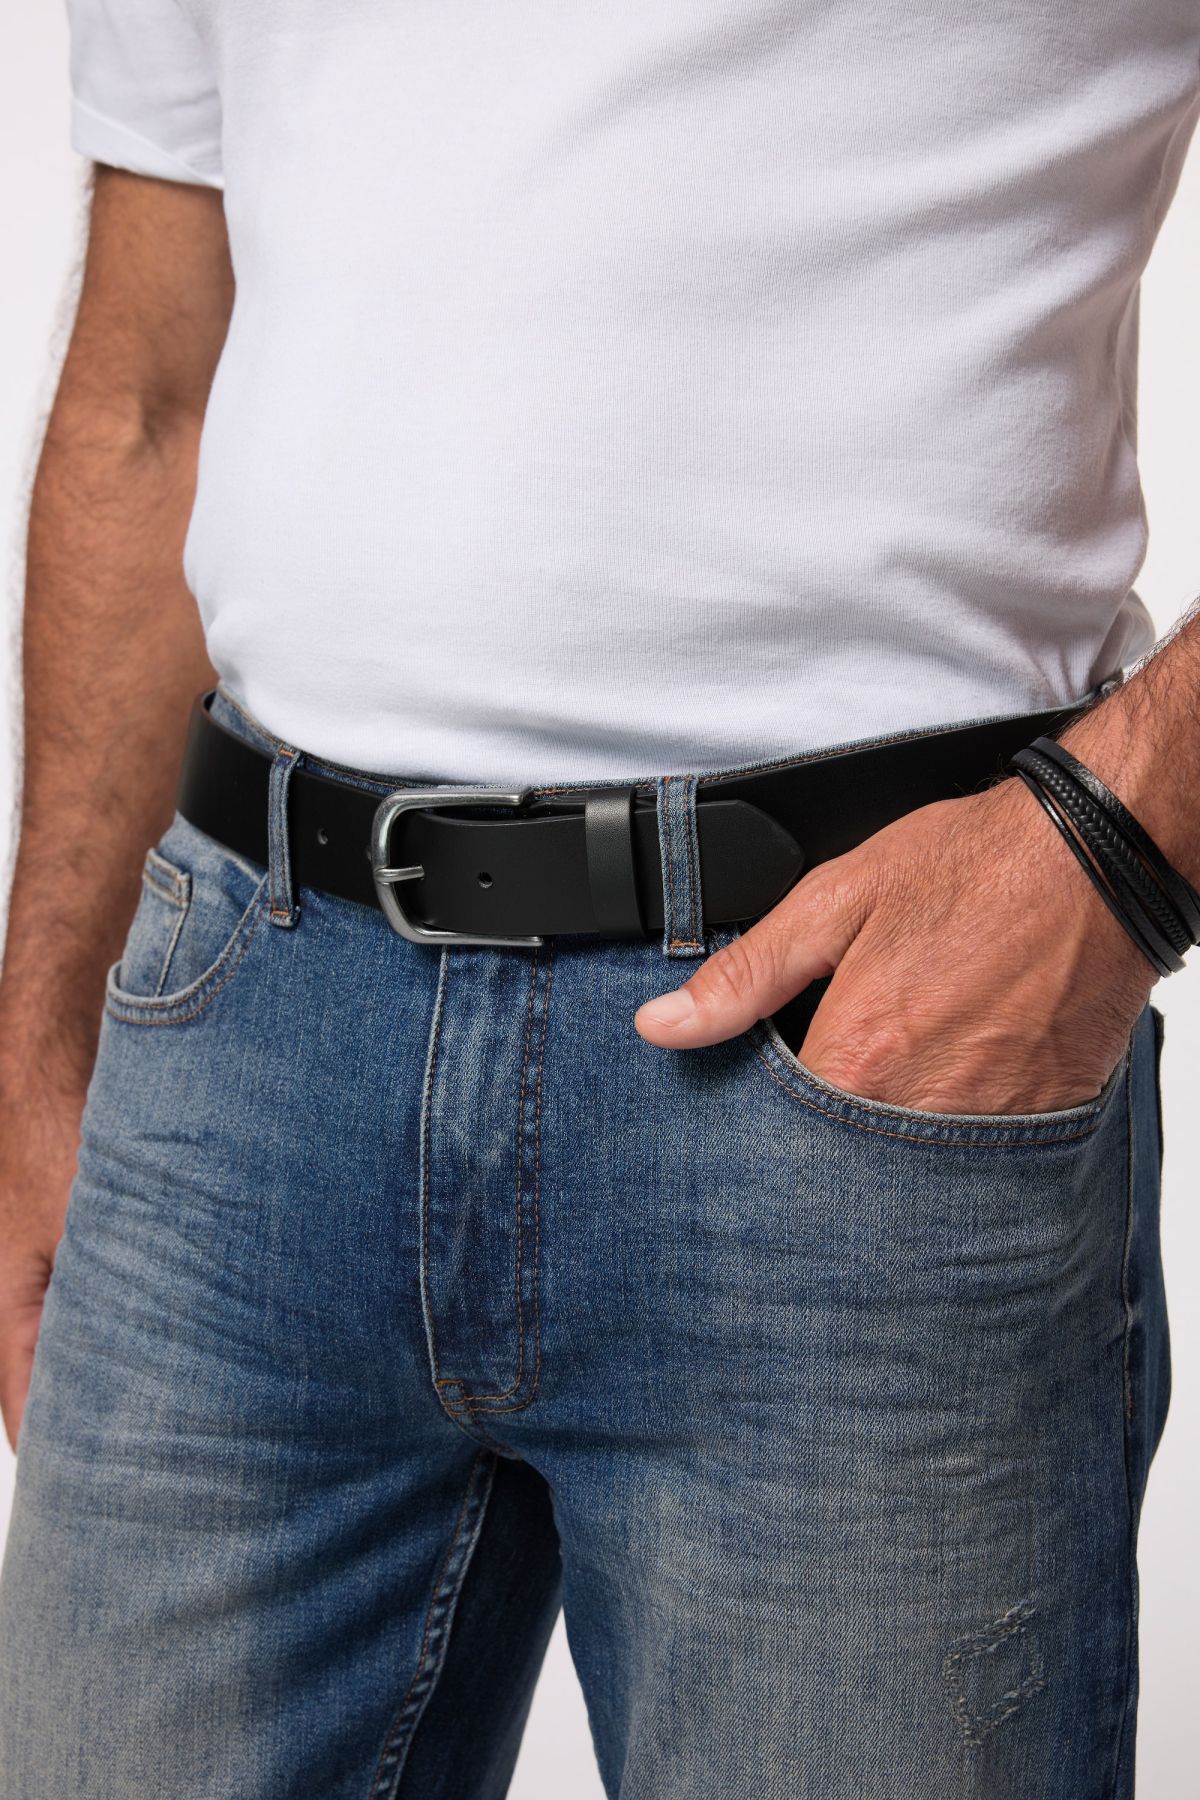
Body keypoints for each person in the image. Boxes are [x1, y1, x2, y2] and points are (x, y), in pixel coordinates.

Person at [1, 3, 1198, 1795]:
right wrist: (39, 1042)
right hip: (240, 1047)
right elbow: (153, 381)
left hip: (850, 1074)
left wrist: (1118, 844)